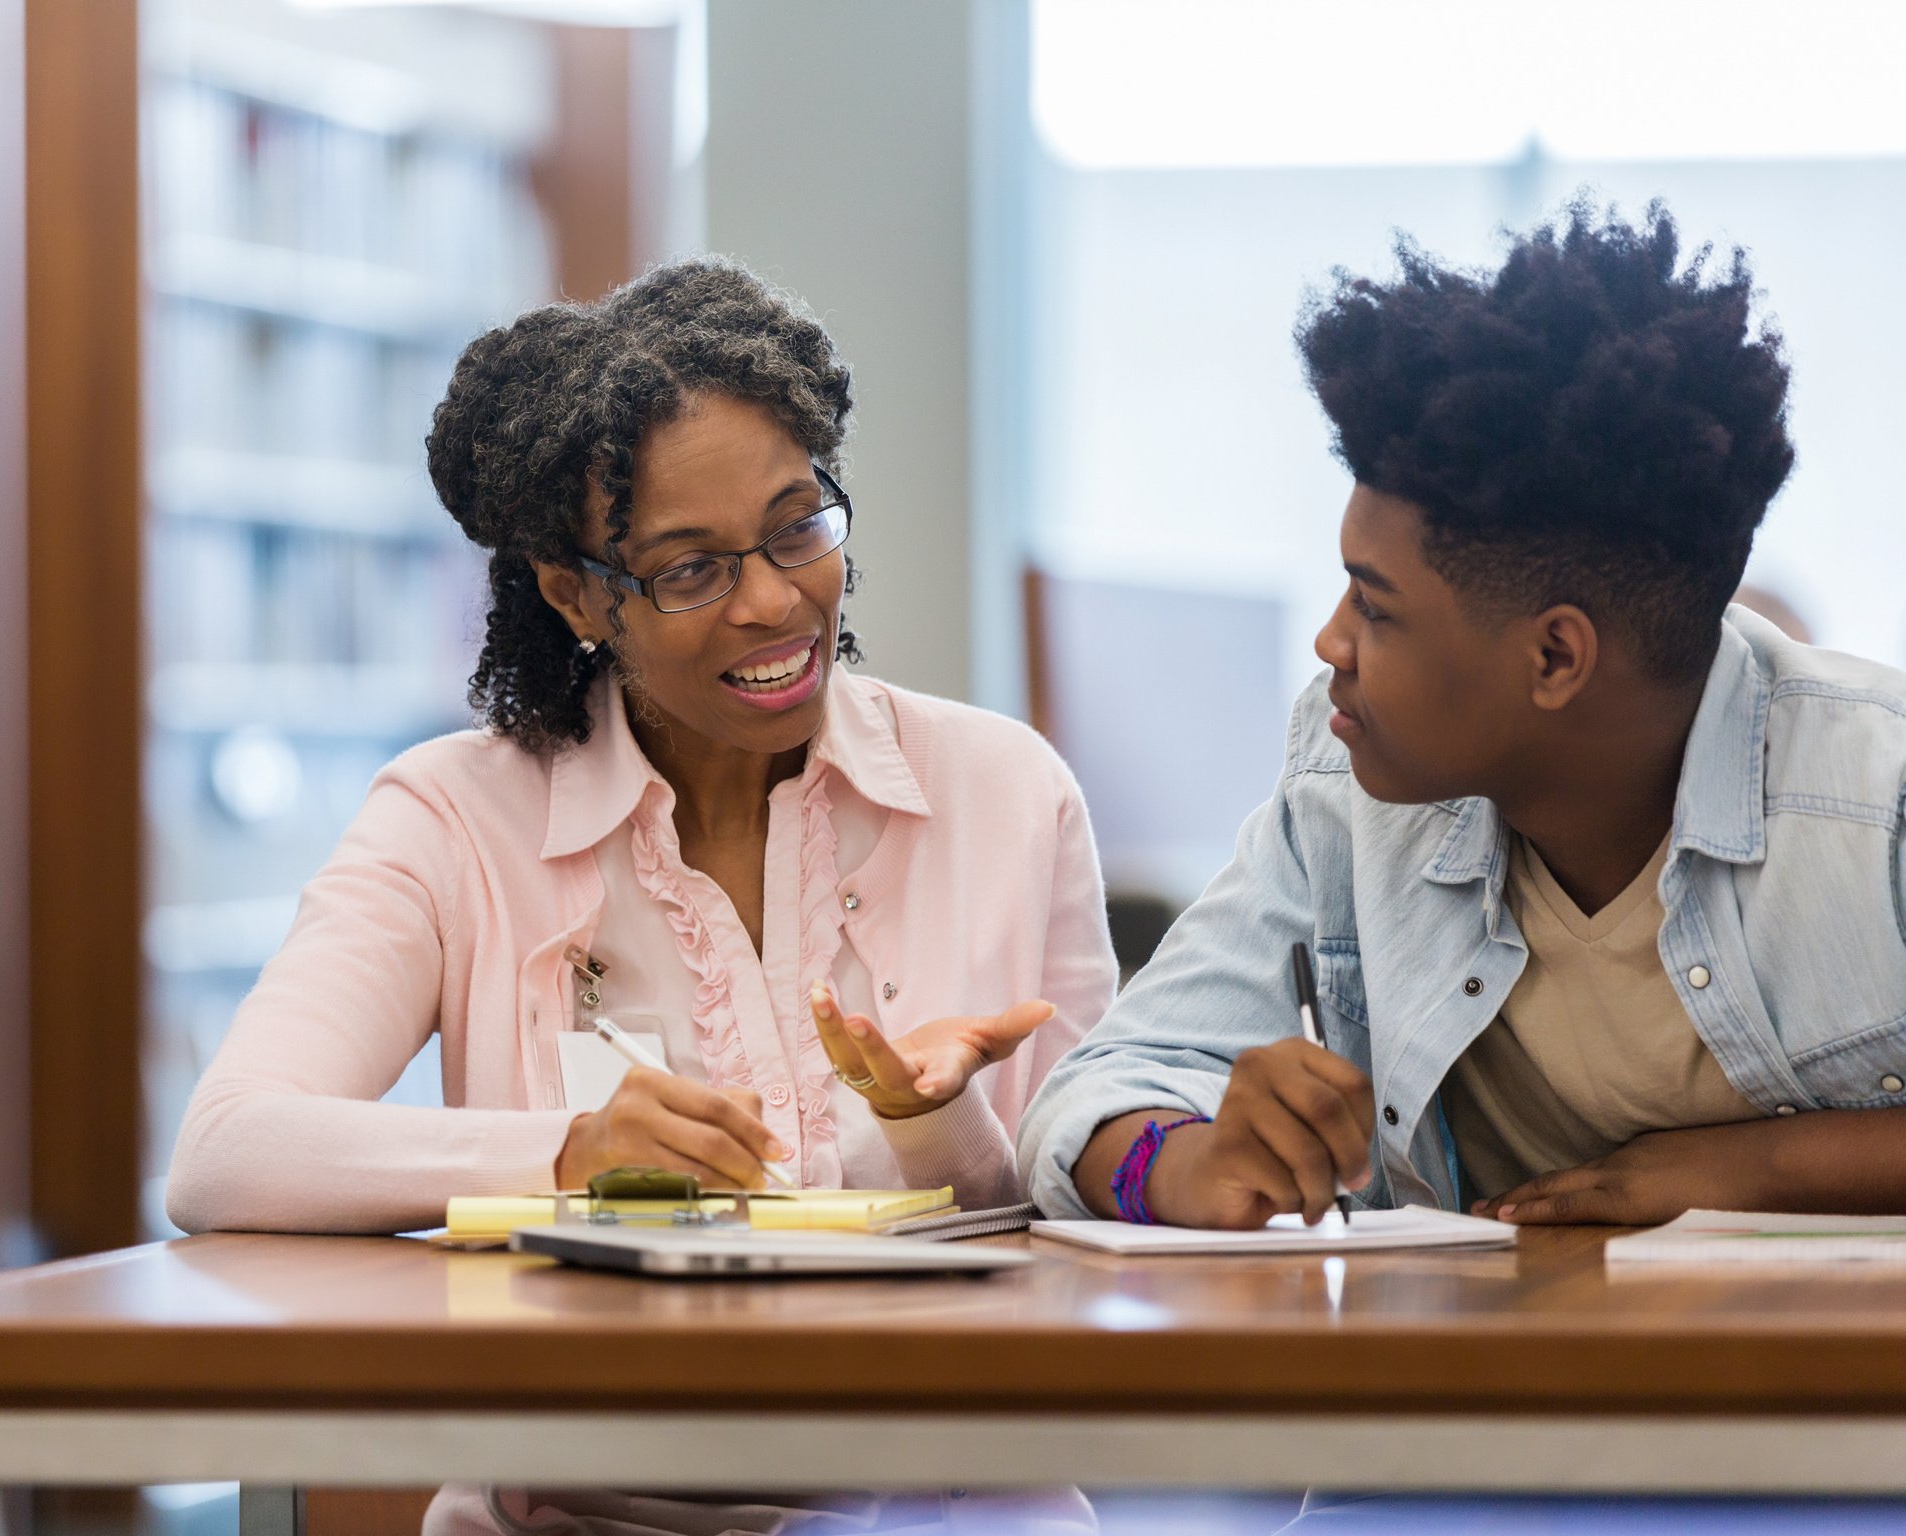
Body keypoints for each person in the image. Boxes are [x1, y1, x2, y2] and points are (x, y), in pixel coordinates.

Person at [167, 257, 1114, 1535]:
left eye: (798, 525)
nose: (775, 600)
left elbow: (1081, 1238)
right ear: (577, 594)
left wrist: (936, 1124)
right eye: (689, 569)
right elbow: (228, 1151)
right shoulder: (456, 819)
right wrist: (568, 1156)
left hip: (951, 1518)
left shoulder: (1004, 791)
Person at [1021, 199, 1906, 1232]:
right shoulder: (1348, 789)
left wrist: (1738, 1173)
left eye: (1376, 605)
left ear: (1555, 657)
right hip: (1491, 1382)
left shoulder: (1872, 799)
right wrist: (1187, 1163)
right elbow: (1101, 1092)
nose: (1330, 643)